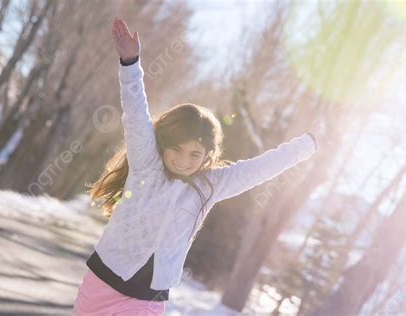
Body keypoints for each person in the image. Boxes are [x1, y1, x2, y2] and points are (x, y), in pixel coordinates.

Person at [72, 17, 318, 316]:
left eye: (194, 154)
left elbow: (261, 167)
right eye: (176, 149)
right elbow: (136, 112)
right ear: (163, 144)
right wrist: (130, 62)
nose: (183, 160)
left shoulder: (210, 186)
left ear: (207, 156)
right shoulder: (146, 164)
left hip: (147, 301)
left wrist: (309, 143)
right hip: (102, 284)